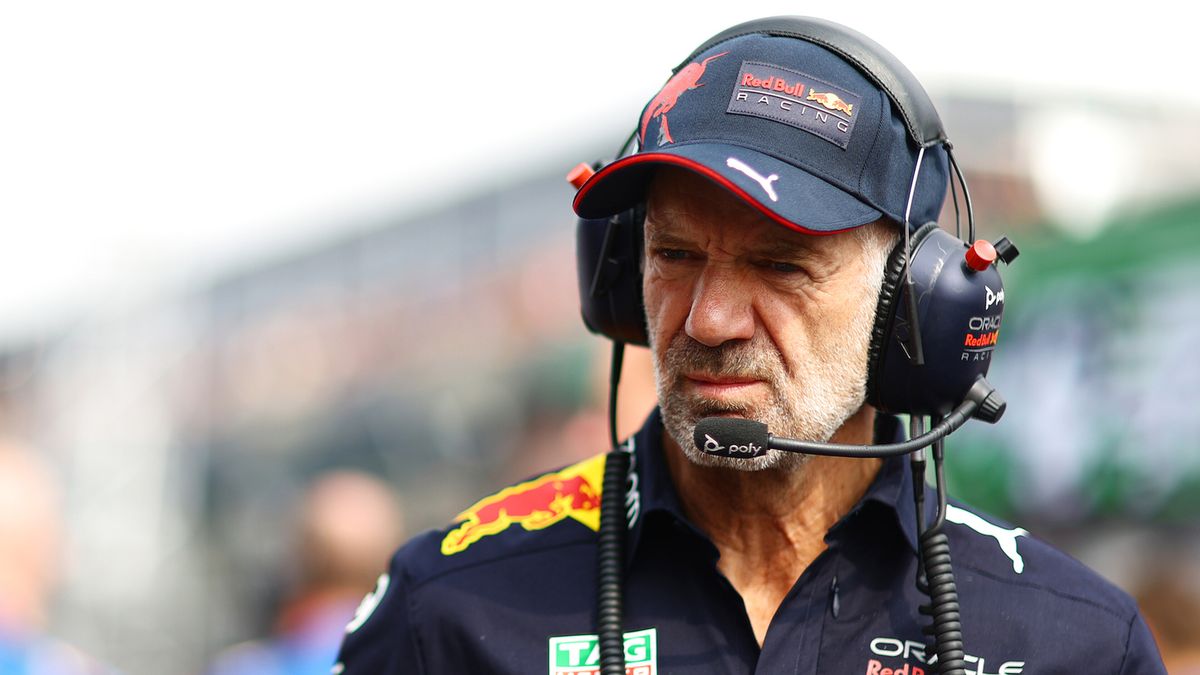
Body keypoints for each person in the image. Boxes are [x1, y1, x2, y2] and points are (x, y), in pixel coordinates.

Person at [334, 17, 1166, 674]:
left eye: (780, 265)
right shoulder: (448, 606)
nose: (708, 320)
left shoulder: (1077, 641)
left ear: (912, 300)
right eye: (674, 255)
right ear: (620, 273)